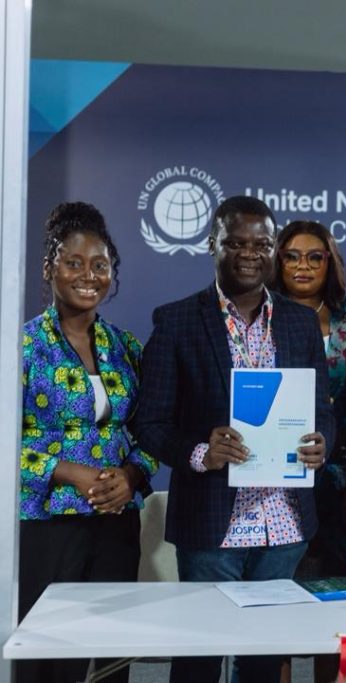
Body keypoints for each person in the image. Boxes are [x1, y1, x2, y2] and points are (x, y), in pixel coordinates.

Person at [133, 196, 333, 683]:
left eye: (261, 244)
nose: (250, 254)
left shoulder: (300, 322)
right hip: (211, 525)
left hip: (284, 524)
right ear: (213, 244)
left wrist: (321, 443)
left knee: (263, 660)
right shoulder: (177, 321)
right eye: (236, 243)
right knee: (200, 656)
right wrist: (201, 452)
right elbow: (149, 422)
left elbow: (323, 411)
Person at [18, 202, 158, 683]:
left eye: (100, 265)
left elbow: (150, 430)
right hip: (47, 521)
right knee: (50, 654)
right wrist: (67, 471)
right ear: (49, 268)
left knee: (111, 651)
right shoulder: (22, 346)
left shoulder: (126, 347)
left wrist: (132, 475)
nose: (88, 276)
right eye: (73, 263)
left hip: (116, 519)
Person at [272, 220, 346, 683]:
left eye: (315, 257)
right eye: (292, 256)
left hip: (340, 474)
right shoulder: (261, 313)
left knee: (339, 603)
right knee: (278, 601)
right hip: (277, 473)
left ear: (330, 263)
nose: (303, 266)